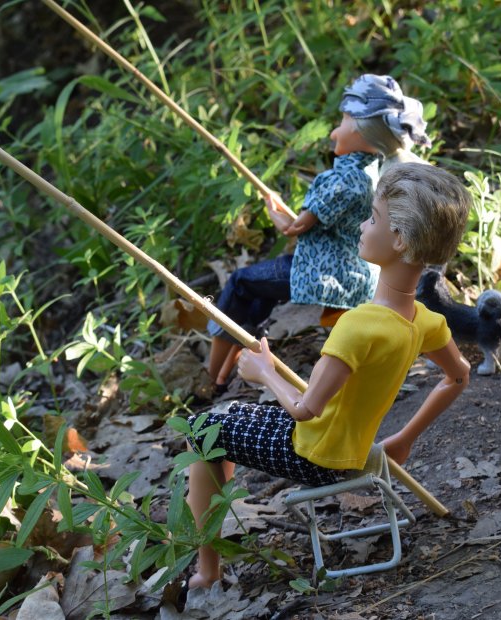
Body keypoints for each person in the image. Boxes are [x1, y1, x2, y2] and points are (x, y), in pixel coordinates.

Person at [186, 162, 472, 589]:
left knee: (201, 430)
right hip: (351, 450)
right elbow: (459, 376)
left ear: (399, 239)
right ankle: (210, 557)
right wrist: (403, 439)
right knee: (225, 419)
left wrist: (265, 372)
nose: (361, 226)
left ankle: (207, 570)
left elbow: (306, 410)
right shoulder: (423, 321)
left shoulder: (358, 325)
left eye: (372, 218)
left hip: (313, 455)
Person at [207, 74, 432, 391]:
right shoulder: (375, 172)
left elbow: (293, 228)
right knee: (258, 293)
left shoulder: (342, 181)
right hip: (356, 270)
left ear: (360, 130)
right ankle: (226, 370)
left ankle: (212, 375)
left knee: (240, 283)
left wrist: (271, 207)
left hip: (322, 271)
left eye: (342, 123)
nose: (333, 132)